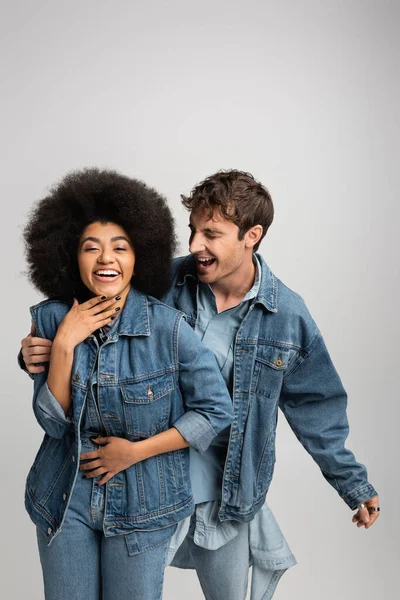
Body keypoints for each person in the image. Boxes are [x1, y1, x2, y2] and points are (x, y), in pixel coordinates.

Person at [21, 170, 380, 600]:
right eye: (192, 230)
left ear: (252, 235)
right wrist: (33, 352)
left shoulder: (287, 317)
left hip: (221, 493)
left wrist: (353, 484)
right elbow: (96, 341)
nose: (193, 246)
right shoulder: (164, 283)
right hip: (143, 482)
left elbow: (316, 408)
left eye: (210, 233)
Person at [20, 168, 233, 600]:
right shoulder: (49, 319)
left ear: (140, 256)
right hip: (65, 498)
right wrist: (64, 343)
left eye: (120, 247)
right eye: (90, 248)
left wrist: (134, 451)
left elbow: (216, 410)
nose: (106, 260)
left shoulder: (170, 329)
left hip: (145, 501)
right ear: (69, 255)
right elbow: (54, 426)